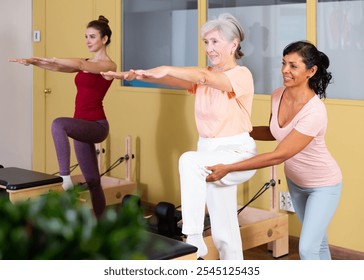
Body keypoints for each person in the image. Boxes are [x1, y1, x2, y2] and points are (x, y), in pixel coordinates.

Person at [101, 13, 256, 260]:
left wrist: (164, 68)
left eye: (215, 42)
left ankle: (193, 238)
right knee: (223, 226)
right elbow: (176, 80)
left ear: (233, 44)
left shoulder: (241, 75)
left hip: (236, 154)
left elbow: (203, 77)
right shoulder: (204, 75)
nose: (209, 49)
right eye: (206, 43)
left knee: (187, 160)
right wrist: (138, 74)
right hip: (208, 152)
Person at [206, 40, 342, 260]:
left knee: (308, 248)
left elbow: (279, 155)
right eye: (283, 63)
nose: (284, 70)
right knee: (318, 245)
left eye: (293, 66)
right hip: (296, 183)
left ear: (311, 71)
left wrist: (228, 168)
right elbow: (274, 131)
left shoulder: (315, 111)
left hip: (323, 186)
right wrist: (236, 130)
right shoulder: (278, 94)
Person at [9, 16, 117, 219]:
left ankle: (64, 177)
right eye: (85, 36)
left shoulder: (108, 65)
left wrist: (55, 58)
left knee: (58, 124)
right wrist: (34, 62)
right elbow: (58, 67)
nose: (87, 40)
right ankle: (101, 224)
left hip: (96, 125)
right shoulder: (87, 62)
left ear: (104, 39)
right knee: (93, 181)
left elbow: (80, 64)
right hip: (81, 127)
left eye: (92, 36)